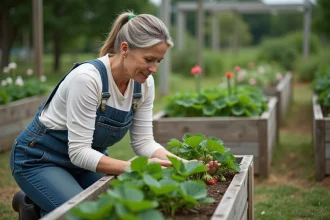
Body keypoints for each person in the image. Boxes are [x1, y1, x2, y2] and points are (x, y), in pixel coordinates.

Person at [10, 11, 219, 219]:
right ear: (125, 48)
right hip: (40, 159)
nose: (154, 68)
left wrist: (184, 164)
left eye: (159, 61)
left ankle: (36, 205)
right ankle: (35, 209)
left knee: (121, 207)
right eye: (149, 59)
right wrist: (135, 168)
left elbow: (144, 142)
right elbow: (79, 151)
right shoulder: (87, 79)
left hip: (86, 164)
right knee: (82, 215)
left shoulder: (144, 84)